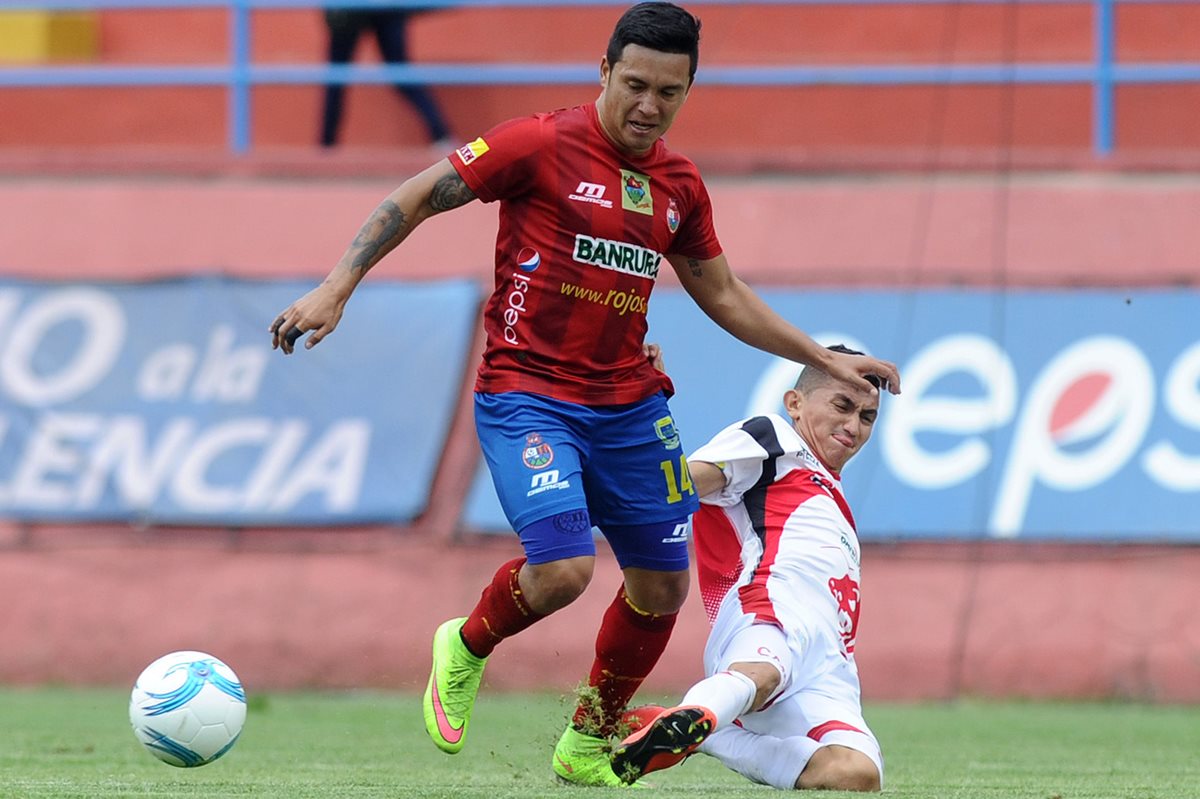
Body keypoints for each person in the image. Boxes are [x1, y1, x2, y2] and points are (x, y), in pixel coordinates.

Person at [269, 2, 900, 787]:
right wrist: (337, 286)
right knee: (565, 570)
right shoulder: (537, 143)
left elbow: (723, 292)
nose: (648, 105)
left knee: (663, 586)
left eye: (668, 92)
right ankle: (465, 644)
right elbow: (420, 194)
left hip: (629, 406)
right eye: (634, 84)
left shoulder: (679, 186)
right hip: (528, 394)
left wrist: (823, 358)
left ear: (687, 90)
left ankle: (587, 737)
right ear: (604, 71)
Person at [609, 344, 885, 791]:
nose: (853, 426)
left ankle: (705, 733)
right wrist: (644, 407)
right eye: (842, 405)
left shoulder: (833, 497)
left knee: (857, 774)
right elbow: (676, 485)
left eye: (867, 417)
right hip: (766, 612)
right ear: (794, 402)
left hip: (827, 665)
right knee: (762, 674)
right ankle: (701, 714)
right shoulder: (774, 439)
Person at [320, 6, 452, 148]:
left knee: (401, 76)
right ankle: (326, 145)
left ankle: (441, 134)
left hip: (379, 9)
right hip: (358, 10)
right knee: (337, 78)